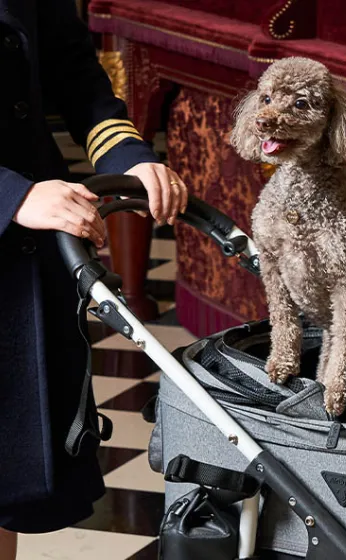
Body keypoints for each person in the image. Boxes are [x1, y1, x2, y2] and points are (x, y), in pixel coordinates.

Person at [0, 0, 188, 557]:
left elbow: (75, 72)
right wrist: (13, 195)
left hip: (25, 257)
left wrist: (129, 155)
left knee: (8, 484)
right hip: (22, 210)